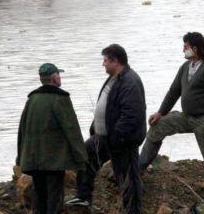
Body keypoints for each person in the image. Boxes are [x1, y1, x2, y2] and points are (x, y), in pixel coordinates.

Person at [139, 32, 204, 203]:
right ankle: (139, 170)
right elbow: (174, 92)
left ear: (195, 48)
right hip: (187, 117)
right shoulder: (185, 67)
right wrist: (161, 113)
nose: (183, 49)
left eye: (185, 47)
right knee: (158, 127)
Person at [66, 44, 146, 214]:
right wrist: (96, 127)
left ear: (115, 61)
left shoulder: (130, 81)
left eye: (105, 60)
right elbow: (107, 105)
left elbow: (131, 115)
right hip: (103, 137)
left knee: (128, 178)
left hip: (122, 141)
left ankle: (132, 211)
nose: (103, 64)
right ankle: (83, 197)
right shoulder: (114, 78)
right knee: (86, 154)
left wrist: (117, 138)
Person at [16, 63, 87, 214]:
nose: (60, 78)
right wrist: (81, 157)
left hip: (33, 159)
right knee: (54, 198)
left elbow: (22, 130)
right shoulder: (60, 99)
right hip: (54, 161)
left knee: (39, 196)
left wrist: (20, 157)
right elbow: (72, 130)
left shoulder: (32, 99)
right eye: (59, 75)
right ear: (54, 78)